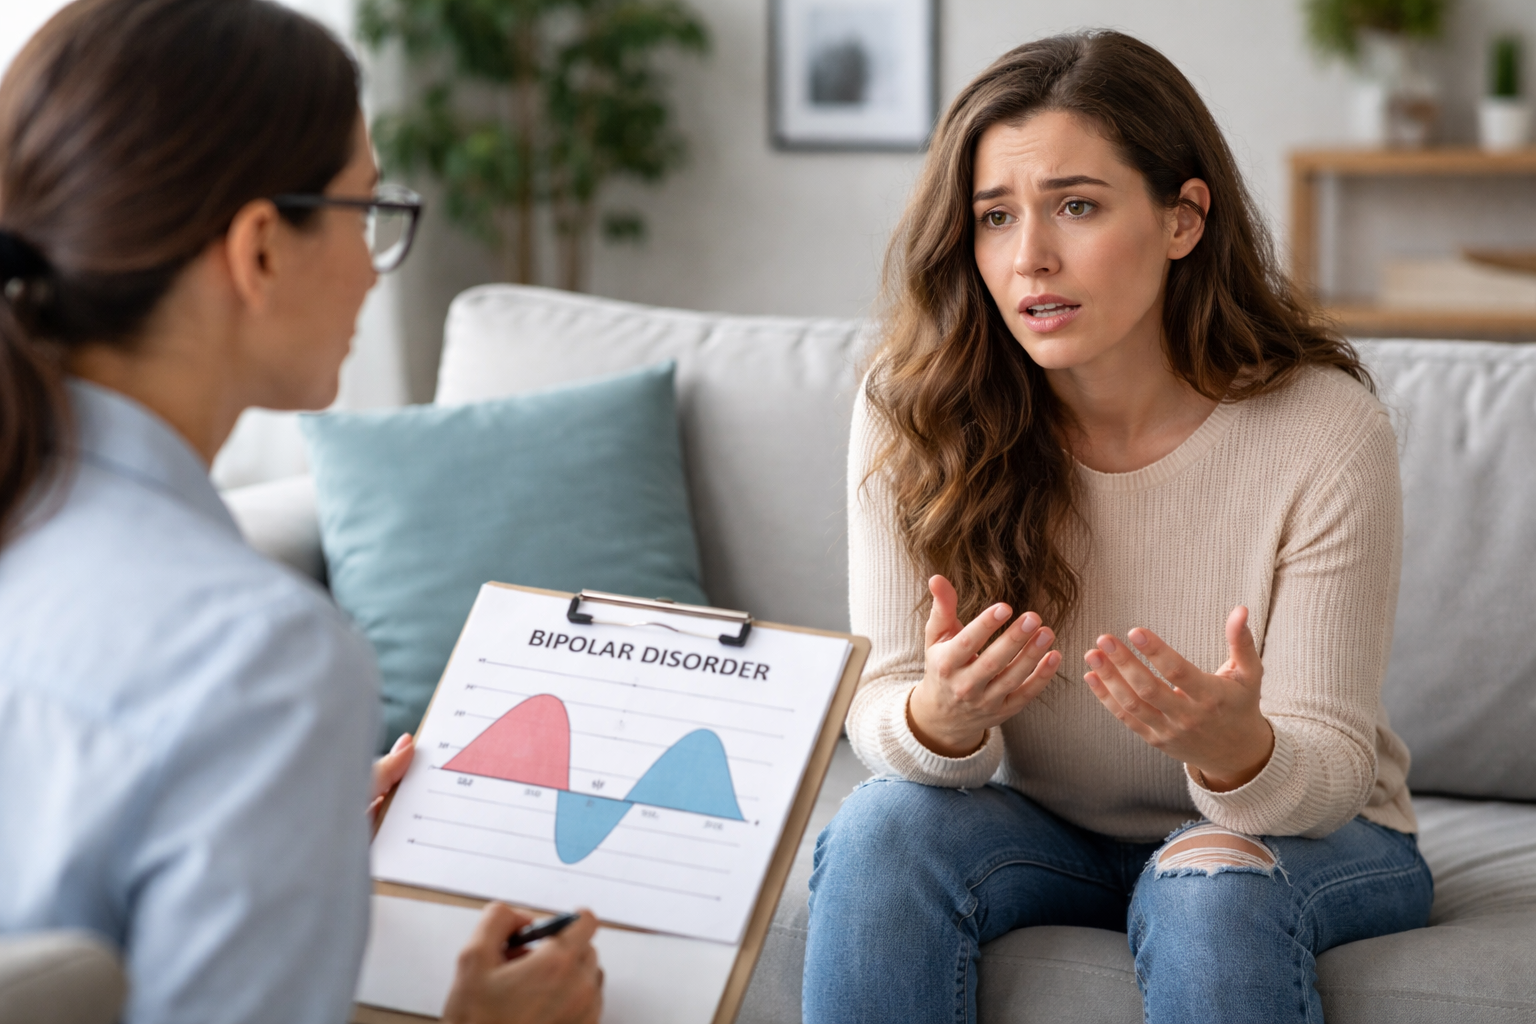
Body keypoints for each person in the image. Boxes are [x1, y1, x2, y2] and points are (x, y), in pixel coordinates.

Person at [804, 30, 1432, 1024]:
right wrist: (945, 715)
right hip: (1051, 830)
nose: (1031, 258)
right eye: (995, 217)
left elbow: (1331, 768)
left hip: (1308, 837)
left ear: (1183, 219)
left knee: (1207, 884)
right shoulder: (916, 407)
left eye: (1077, 207)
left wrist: (1239, 749)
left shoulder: (1323, 426)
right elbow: (880, 705)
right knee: (882, 827)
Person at [0, 2, 601, 1022]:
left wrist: (275, 819)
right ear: (261, 248)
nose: (373, 265)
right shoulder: (255, 659)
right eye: (365, 210)